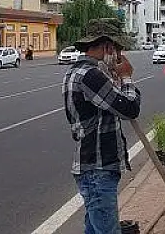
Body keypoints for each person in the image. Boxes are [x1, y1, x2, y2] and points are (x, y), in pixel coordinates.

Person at [63, 19, 141, 234]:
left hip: (94, 167)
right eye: (118, 49)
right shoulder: (90, 75)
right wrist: (126, 77)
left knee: (95, 229)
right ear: (107, 47)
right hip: (97, 168)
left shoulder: (83, 72)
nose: (119, 55)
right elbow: (129, 108)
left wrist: (116, 77)